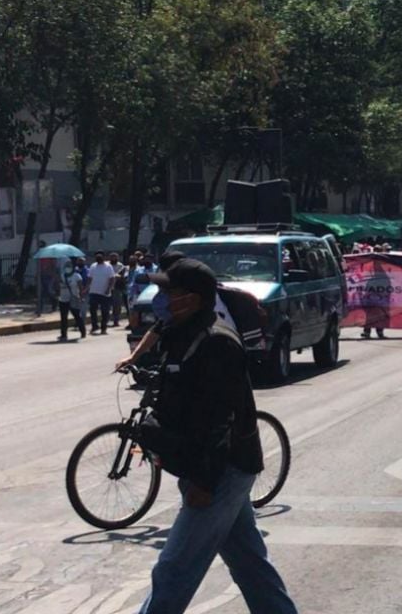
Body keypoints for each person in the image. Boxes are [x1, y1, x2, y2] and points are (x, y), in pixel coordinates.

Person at [136, 259, 299, 614]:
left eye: (169, 292)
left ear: (192, 299)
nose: (161, 298)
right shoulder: (182, 333)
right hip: (210, 468)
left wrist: (205, 482)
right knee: (250, 564)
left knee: (174, 569)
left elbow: (220, 420)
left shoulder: (216, 342)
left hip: (221, 471)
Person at [88, 253, 116, 335]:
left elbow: (112, 278)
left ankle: (103, 328)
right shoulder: (93, 266)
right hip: (93, 292)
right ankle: (94, 326)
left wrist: (109, 289)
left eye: (100, 257)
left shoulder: (108, 266)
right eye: (97, 257)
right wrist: (86, 288)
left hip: (104, 293)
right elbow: (90, 278)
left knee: (105, 311)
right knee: (93, 310)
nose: (98, 258)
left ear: (103, 258)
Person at [57, 260, 86, 341]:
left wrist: (81, 297)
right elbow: (58, 286)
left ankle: (83, 331)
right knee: (63, 318)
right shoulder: (62, 275)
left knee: (77, 316)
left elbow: (81, 287)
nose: (68, 268)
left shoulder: (77, 276)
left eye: (69, 266)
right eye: (67, 266)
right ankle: (63, 335)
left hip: (73, 299)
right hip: (63, 299)